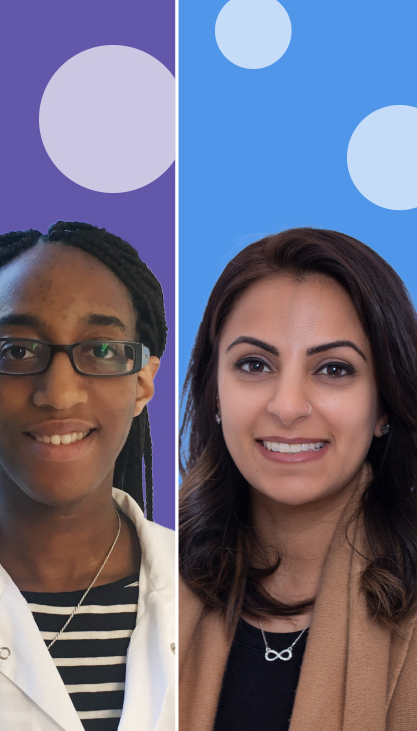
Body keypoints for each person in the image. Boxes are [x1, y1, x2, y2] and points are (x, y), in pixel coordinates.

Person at [0, 221, 175, 730]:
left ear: (143, 381)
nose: (60, 394)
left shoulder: (208, 590)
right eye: (18, 351)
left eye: (102, 350)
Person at [178, 228, 417, 731]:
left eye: (333, 369)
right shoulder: (139, 581)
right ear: (215, 395)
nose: (287, 406)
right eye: (254, 364)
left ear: (385, 405)